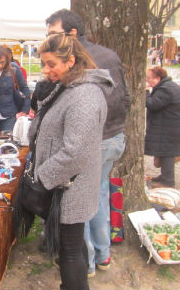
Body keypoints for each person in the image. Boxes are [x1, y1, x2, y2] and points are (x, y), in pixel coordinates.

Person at [46, 9, 129, 277]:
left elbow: (95, 107)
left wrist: (86, 132)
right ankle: (103, 255)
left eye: (54, 34)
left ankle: (88, 262)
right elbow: (123, 98)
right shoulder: (107, 55)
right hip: (113, 136)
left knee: (78, 202)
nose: (49, 39)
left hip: (98, 140)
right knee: (99, 195)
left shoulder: (89, 63)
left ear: (71, 35)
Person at [34, 33, 109, 290]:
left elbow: (75, 152)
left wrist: (42, 178)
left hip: (71, 187)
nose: (46, 70)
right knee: (72, 248)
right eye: (44, 63)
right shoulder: (71, 88)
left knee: (71, 251)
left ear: (71, 61)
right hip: (66, 184)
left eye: (51, 63)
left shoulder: (85, 95)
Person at [145, 66, 180, 188]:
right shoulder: (168, 86)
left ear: (158, 78)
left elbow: (152, 104)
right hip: (170, 125)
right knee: (165, 152)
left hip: (170, 127)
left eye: (149, 78)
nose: (147, 80)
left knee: (167, 153)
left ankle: (168, 181)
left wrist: (145, 92)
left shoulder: (166, 89)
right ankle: (165, 176)